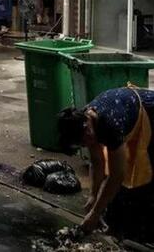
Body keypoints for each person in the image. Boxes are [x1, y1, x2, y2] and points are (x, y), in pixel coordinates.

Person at [58, 87, 154, 239]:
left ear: (86, 120)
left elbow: (117, 176)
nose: (88, 139)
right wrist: (93, 195)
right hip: (130, 113)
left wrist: (95, 213)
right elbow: (97, 162)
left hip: (150, 110)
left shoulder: (109, 125)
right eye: (83, 143)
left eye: (87, 133)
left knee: (147, 175)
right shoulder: (84, 125)